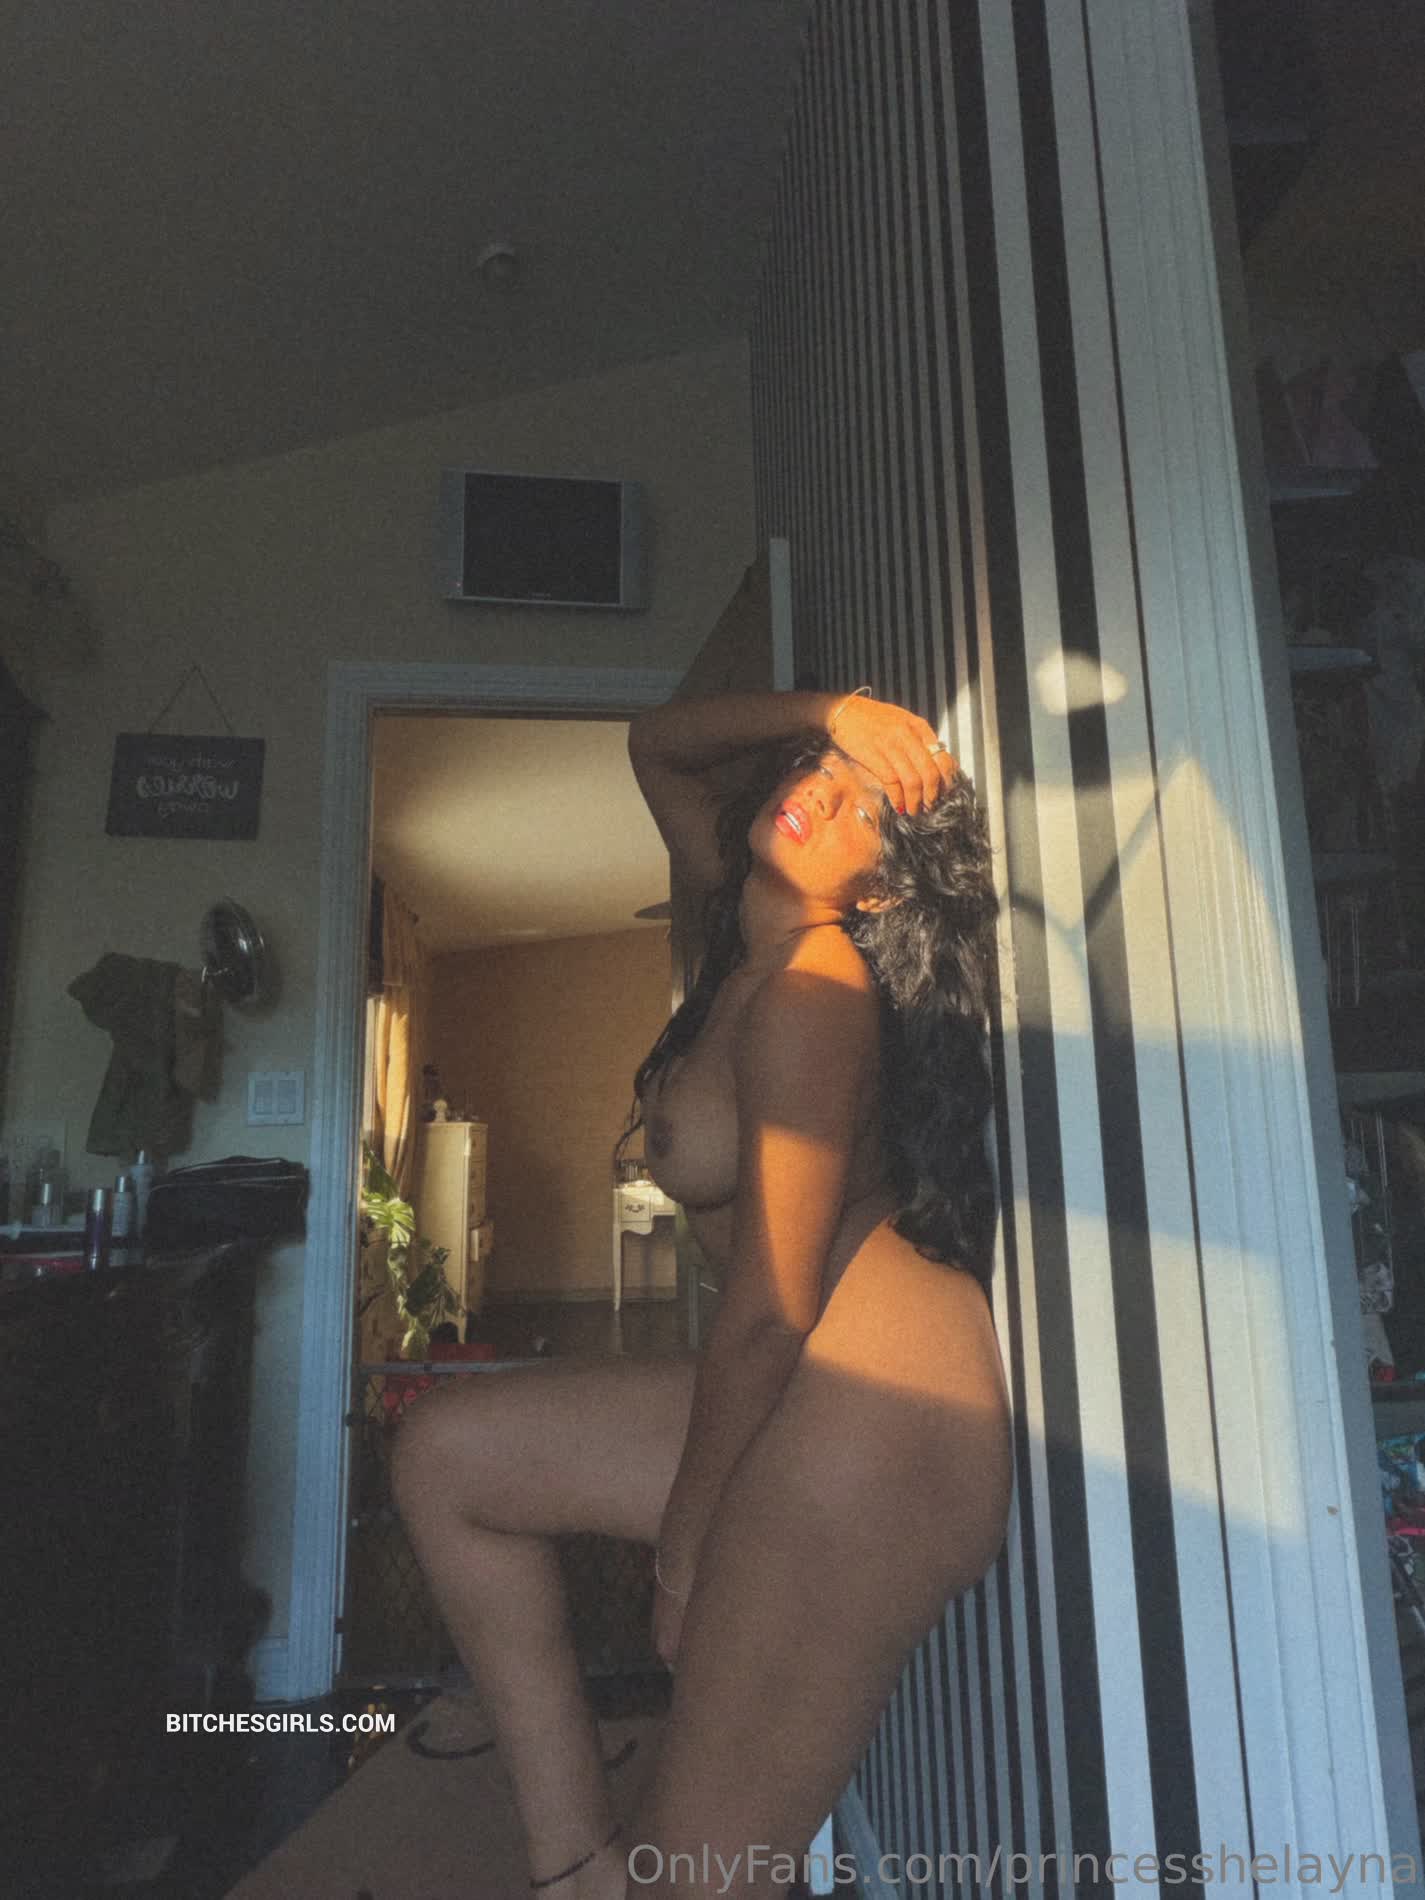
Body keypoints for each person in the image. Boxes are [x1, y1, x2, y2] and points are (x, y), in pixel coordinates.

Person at [392, 685, 1013, 1898]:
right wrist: (838, 709)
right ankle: (577, 1867)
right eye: (822, 768)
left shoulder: (817, 988)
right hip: (805, 1387)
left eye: (865, 811)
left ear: (882, 892)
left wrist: (687, 1550)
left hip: (878, 1418)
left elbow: (771, 1312)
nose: (821, 795)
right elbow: (658, 743)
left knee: (702, 1875)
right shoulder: (744, 932)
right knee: (447, 1456)